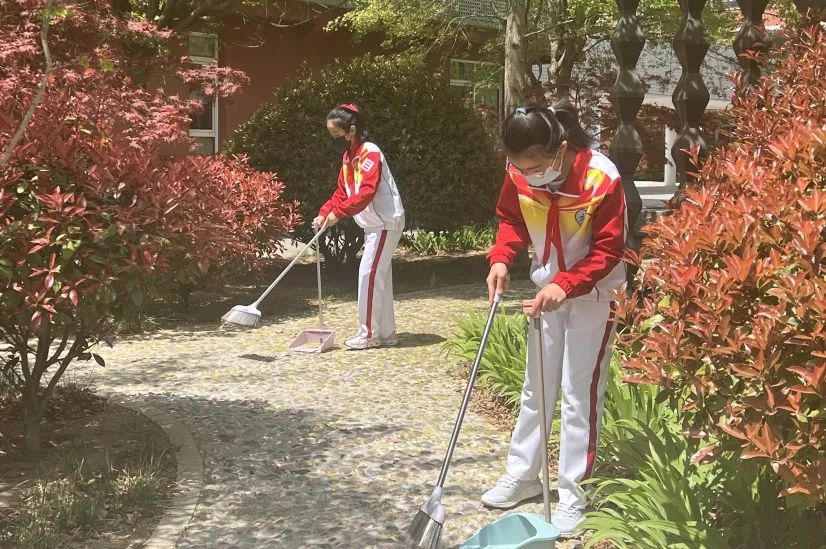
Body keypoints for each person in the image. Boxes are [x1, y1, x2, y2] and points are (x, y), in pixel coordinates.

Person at [482, 100, 627, 537]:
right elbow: (511, 220)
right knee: (536, 386)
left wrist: (565, 285)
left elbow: (609, 249)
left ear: (560, 148)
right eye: (518, 165)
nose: (529, 173)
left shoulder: (602, 177)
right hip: (547, 294)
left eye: (537, 164)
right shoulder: (518, 173)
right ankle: (524, 474)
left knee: (578, 392)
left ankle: (574, 495)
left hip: (595, 295)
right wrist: (501, 259)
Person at [314, 103, 405, 350]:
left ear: (351, 130)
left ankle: (368, 334)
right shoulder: (348, 158)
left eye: (336, 135)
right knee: (379, 276)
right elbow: (342, 192)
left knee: (369, 274)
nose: (334, 139)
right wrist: (325, 213)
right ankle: (386, 333)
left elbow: (366, 192)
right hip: (375, 225)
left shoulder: (370, 152)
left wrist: (339, 214)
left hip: (385, 222)